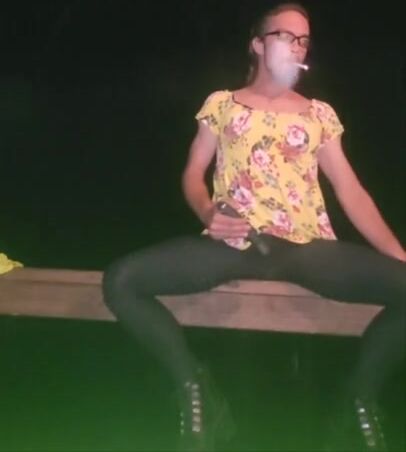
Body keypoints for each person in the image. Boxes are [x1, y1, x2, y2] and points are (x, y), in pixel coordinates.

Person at [102, 2, 406, 451]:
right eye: (286, 35)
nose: (297, 46)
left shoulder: (318, 114)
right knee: (122, 281)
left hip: (306, 246)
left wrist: (400, 258)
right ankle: (195, 390)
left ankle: (358, 401)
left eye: (304, 40)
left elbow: (351, 191)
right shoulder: (222, 104)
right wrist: (208, 212)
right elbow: (193, 174)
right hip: (234, 243)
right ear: (259, 44)